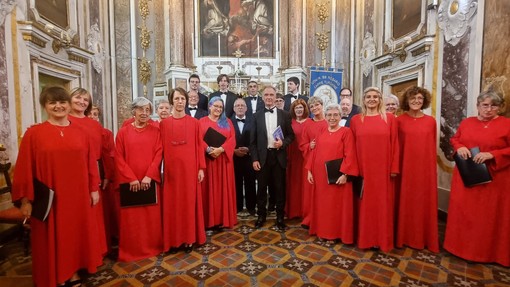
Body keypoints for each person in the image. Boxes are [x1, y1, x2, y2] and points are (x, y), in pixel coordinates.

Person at [12, 86, 103, 287]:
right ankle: (56, 274)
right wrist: (26, 199)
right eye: (52, 102)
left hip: (77, 195)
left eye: (62, 102)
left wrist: (93, 189)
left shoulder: (81, 132)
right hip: (49, 197)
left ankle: (73, 273)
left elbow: (90, 162)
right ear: (45, 106)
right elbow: (24, 168)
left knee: (75, 235)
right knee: (52, 236)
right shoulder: (34, 134)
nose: (58, 106)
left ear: (69, 105)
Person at [444, 91, 510, 266]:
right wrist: (459, 147)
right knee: (465, 214)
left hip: (495, 179)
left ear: (499, 107)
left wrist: (492, 154)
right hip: (466, 177)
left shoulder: (506, 124)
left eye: (493, 105)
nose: (488, 109)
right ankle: (459, 248)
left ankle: (486, 254)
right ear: (478, 106)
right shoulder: (467, 122)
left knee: (488, 218)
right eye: (485, 105)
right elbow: (455, 139)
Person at [350, 87, 399, 252]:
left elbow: (395, 144)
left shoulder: (390, 119)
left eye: (375, 97)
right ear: (363, 100)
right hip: (363, 170)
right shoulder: (356, 120)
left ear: (380, 100)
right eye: (368, 97)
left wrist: (394, 167)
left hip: (383, 170)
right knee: (364, 205)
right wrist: (353, 169)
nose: (372, 99)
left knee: (381, 205)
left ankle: (381, 239)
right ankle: (365, 239)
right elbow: (351, 147)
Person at [115, 97, 163, 261]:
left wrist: (149, 176)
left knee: (151, 218)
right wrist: (131, 178)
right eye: (141, 109)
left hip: (149, 181)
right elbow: (118, 158)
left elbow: (159, 154)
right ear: (133, 111)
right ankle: (131, 251)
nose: (144, 113)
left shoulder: (156, 132)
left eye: (148, 110)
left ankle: (152, 247)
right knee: (132, 220)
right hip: (131, 183)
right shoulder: (123, 132)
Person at [160, 88, 206, 254]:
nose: (180, 102)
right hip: (172, 172)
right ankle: (173, 240)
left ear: (186, 101)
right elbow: (159, 149)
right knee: (172, 205)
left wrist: (201, 167)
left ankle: (189, 239)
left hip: (190, 170)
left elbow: (200, 146)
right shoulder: (163, 124)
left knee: (188, 204)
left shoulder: (195, 123)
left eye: (182, 99)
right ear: (172, 101)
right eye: (177, 99)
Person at [306, 104, 358, 243]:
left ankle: (334, 234)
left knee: (335, 207)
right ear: (326, 116)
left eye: (335, 115)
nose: (332, 118)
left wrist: (345, 174)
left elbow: (350, 154)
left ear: (340, 116)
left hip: (337, 176)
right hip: (320, 176)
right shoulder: (321, 130)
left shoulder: (346, 132)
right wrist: (309, 170)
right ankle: (322, 231)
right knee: (322, 206)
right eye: (329, 115)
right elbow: (314, 151)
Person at [396, 86, 439, 252]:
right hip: (404, 168)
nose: (416, 101)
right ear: (407, 101)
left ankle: (423, 237)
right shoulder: (399, 120)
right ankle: (402, 236)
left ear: (424, 101)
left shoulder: (431, 121)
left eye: (420, 98)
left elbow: (431, 147)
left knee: (422, 202)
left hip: (424, 170)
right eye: (413, 98)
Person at [68, 88, 108, 257]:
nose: (82, 102)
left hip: (93, 171)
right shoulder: (64, 120)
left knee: (92, 213)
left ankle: (93, 253)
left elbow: (102, 151)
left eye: (85, 100)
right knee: (74, 217)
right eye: (78, 98)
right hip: (72, 173)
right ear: (69, 99)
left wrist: (105, 174)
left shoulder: (94, 125)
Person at [250, 86, 295, 230]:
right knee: (261, 189)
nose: (269, 97)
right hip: (263, 157)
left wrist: (283, 143)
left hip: (278, 156)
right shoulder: (256, 116)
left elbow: (291, 136)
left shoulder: (285, 115)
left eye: (271, 95)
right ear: (262, 97)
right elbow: (253, 141)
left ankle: (280, 217)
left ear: (275, 97)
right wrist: (255, 159)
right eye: (266, 95)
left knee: (279, 188)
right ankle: (261, 216)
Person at [200, 96, 237, 231]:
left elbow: (233, 140)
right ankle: (209, 221)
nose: (218, 109)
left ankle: (222, 219)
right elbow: (198, 139)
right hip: (208, 162)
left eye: (220, 107)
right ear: (209, 106)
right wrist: (209, 149)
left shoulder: (227, 122)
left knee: (223, 190)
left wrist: (221, 149)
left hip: (223, 162)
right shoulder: (201, 122)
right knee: (208, 190)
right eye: (215, 106)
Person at [88, 105, 119, 253]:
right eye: (90, 114)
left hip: (103, 174)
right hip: (86, 175)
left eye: (95, 114)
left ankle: (107, 241)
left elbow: (109, 155)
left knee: (105, 211)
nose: (93, 116)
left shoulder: (106, 133)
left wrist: (108, 175)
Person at [299, 96, 327, 228]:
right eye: (312, 107)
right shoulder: (308, 124)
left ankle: (322, 218)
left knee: (324, 192)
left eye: (317, 105)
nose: (315, 108)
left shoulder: (329, 122)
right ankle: (309, 218)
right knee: (310, 192)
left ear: (322, 105)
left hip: (325, 163)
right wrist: (309, 146)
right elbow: (302, 144)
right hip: (311, 162)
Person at [286, 99, 311, 219]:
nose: (299, 110)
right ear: (293, 110)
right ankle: (293, 211)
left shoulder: (310, 122)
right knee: (293, 183)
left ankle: (305, 212)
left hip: (306, 157)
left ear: (305, 109)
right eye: (296, 108)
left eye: (301, 107)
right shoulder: (289, 122)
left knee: (306, 184)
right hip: (292, 156)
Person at [231, 98, 256, 217]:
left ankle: (251, 207)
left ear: (246, 108)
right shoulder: (228, 121)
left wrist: (249, 150)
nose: (240, 107)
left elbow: (256, 138)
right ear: (234, 108)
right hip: (234, 158)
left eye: (242, 105)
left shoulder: (253, 121)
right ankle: (237, 206)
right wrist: (233, 151)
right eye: (237, 105)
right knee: (236, 183)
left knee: (250, 183)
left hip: (249, 157)